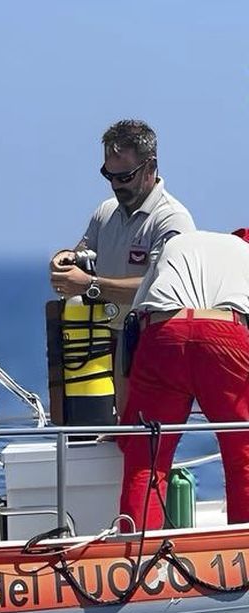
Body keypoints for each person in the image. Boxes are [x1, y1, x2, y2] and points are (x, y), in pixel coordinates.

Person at [49, 119, 195, 415]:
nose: (116, 185)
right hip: (104, 343)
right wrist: (64, 259)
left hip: (149, 349)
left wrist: (89, 286)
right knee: (103, 435)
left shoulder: (171, 220)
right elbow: (82, 252)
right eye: (108, 175)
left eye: (125, 176)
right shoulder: (106, 213)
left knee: (140, 436)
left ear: (150, 166)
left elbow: (159, 292)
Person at [117, 230, 249, 531]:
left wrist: (125, 418)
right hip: (224, 334)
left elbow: (135, 324)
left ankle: (139, 560)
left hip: (163, 333)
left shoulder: (175, 244)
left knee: (146, 461)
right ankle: (242, 555)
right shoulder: (244, 255)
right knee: (243, 454)